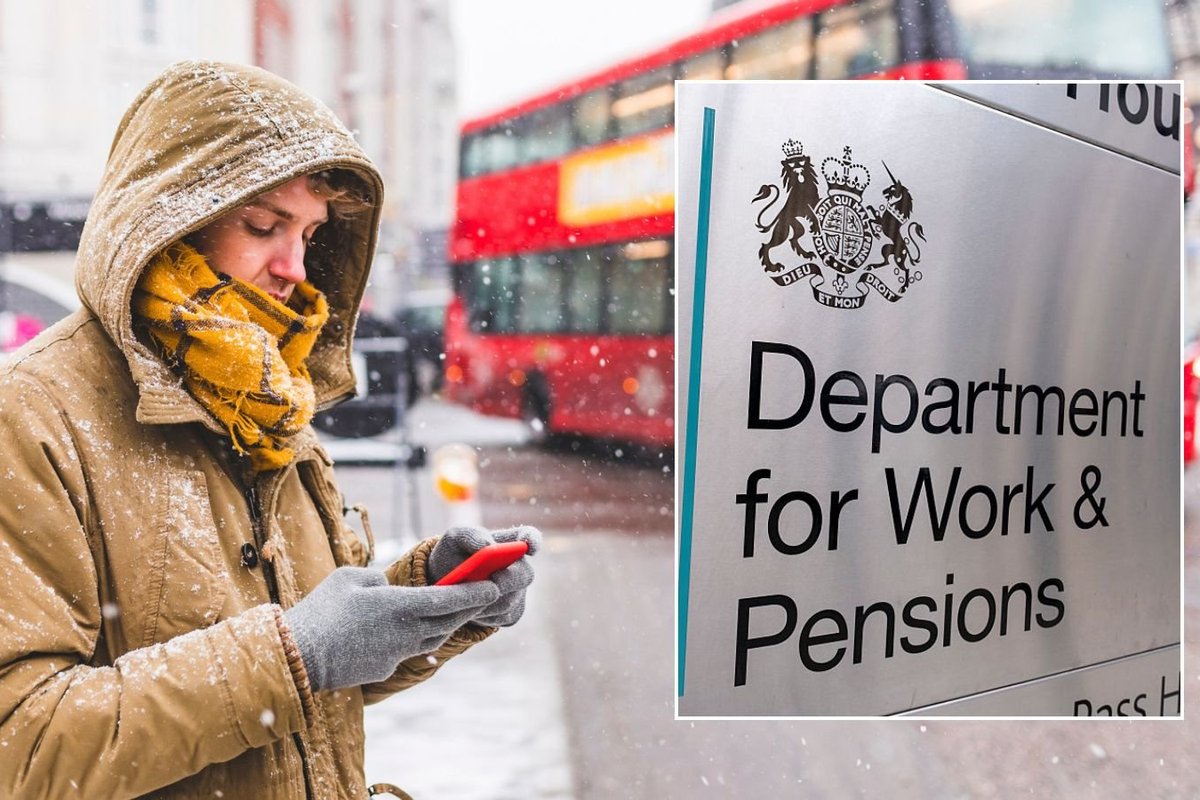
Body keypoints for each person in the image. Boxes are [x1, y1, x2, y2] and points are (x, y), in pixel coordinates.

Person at [0, 61, 538, 799]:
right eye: (263, 225)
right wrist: (296, 654)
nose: (295, 267)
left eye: (311, 234)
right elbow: (20, 744)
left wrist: (426, 598)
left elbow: (297, 695)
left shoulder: (265, 396)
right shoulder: (31, 415)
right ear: (169, 219)